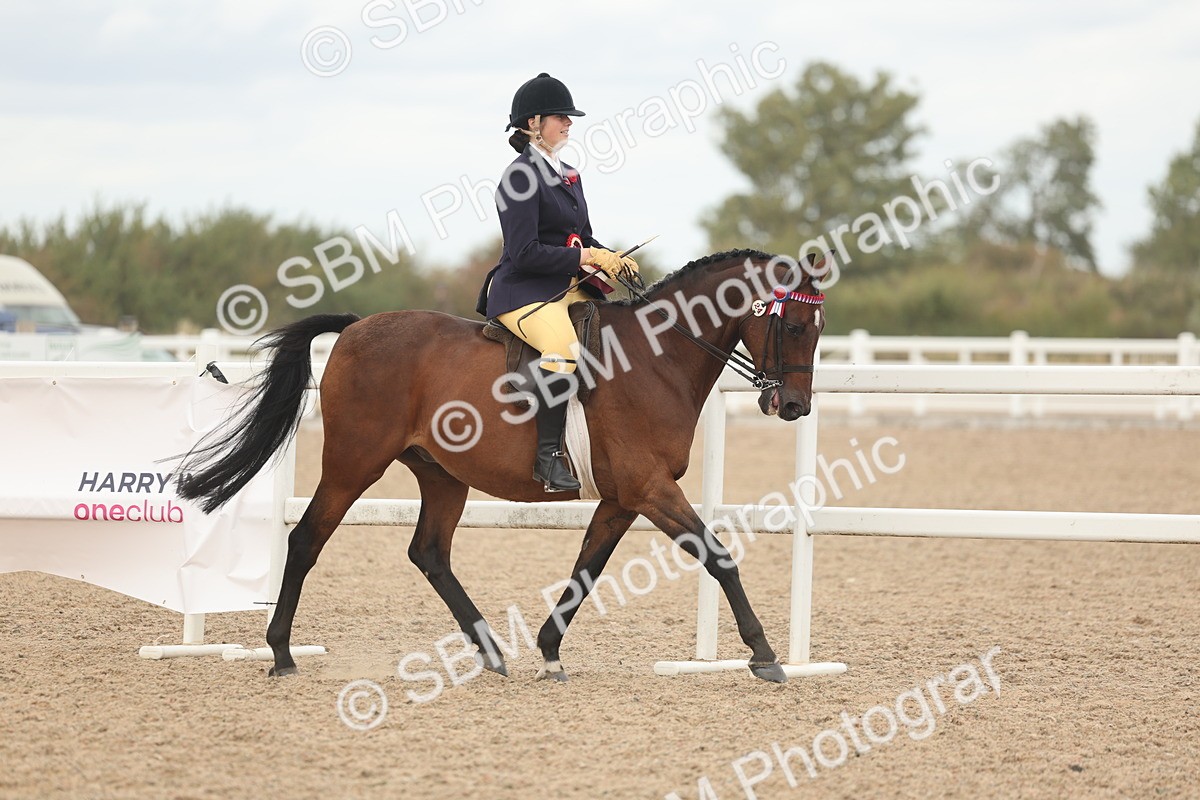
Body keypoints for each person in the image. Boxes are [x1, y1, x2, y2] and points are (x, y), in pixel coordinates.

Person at [475, 72, 638, 492]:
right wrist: (585, 257)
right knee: (563, 349)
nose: (569, 123)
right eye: (560, 117)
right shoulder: (518, 178)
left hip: (566, 288)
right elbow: (524, 252)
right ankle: (547, 458)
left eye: (569, 118)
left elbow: (584, 238)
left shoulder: (569, 174)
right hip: (522, 291)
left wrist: (612, 258)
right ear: (533, 123)